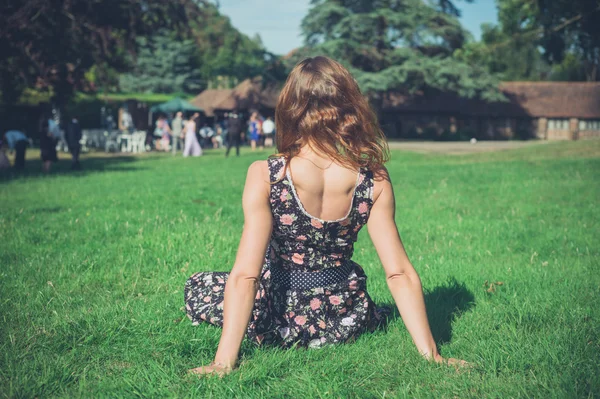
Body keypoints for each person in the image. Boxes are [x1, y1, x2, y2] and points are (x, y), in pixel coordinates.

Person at [185, 56, 467, 377]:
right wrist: (432, 355)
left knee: (202, 286)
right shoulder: (373, 179)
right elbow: (399, 273)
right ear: (349, 107)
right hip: (346, 317)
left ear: (291, 108)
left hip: (282, 318)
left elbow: (245, 276)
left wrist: (222, 363)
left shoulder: (268, 175)